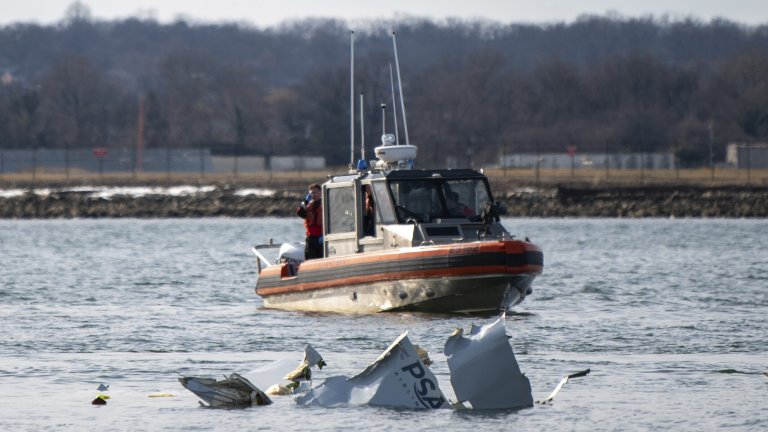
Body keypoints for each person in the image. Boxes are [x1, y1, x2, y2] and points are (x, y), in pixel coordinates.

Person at [296, 183, 323, 259]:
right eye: (311, 193)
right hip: (311, 238)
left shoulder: (324, 204)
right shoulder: (308, 205)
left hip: (321, 238)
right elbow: (300, 213)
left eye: (315, 192)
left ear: (320, 192)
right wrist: (305, 202)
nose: (313, 195)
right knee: (309, 258)